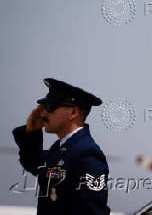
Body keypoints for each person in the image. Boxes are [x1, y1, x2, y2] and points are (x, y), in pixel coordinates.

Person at [12, 78, 110, 215]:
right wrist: (32, 130)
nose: (43, 113)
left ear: (73, 113)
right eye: (44, 108)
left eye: (50, 107)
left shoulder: (87, 153)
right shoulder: (61, 148)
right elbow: (34, 163)